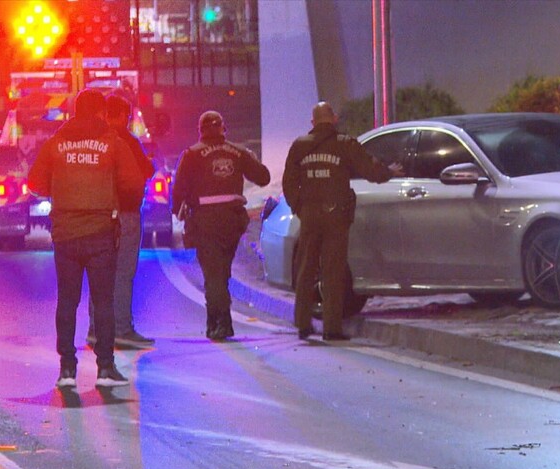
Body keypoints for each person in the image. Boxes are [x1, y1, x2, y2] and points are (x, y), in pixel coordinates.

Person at [28, 89, 145, 388]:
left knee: (67, 301)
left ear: (74, 111)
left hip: (65, 233)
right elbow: (133, 183)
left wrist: (64, 188)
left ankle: (67, 369)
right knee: (103, 301)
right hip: (101, 233)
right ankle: (105, 368)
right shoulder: (113, 144)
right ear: (100, 113)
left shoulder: (56, 143)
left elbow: (35, 183)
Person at [282, 101, 403, 341]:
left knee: (306, 268)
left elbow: (288, 183)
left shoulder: (299, 146)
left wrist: (300, 208)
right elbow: (370, 170)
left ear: (313, 122)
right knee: (333, 271)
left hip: (310, 216)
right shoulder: (344, 144)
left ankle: (303, 324)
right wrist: (389, 172)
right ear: (334, 119)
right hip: (336, 215)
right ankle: (331, 329)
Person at [172, 111, 271, 341]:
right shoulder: (237, 152)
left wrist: (177, 212)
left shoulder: (192, 154)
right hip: (233, 221)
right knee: (222, 271)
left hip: (205, 221)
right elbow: (264, 178)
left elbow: (178, 192)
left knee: (213, 273)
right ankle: (217, 322)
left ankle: (220, 323)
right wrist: (250, 158)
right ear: (223, 129)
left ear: (201, 130)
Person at [86, 94, 156, 350]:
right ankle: (122, 329)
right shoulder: (126, 140)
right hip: (125, 215)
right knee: (123, 273)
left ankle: (95, 329)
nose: (126, 122)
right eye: (125, 117)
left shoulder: (93, 142)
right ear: (116, 115)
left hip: (97, 215)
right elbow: (145, 171)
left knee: (100, 273)